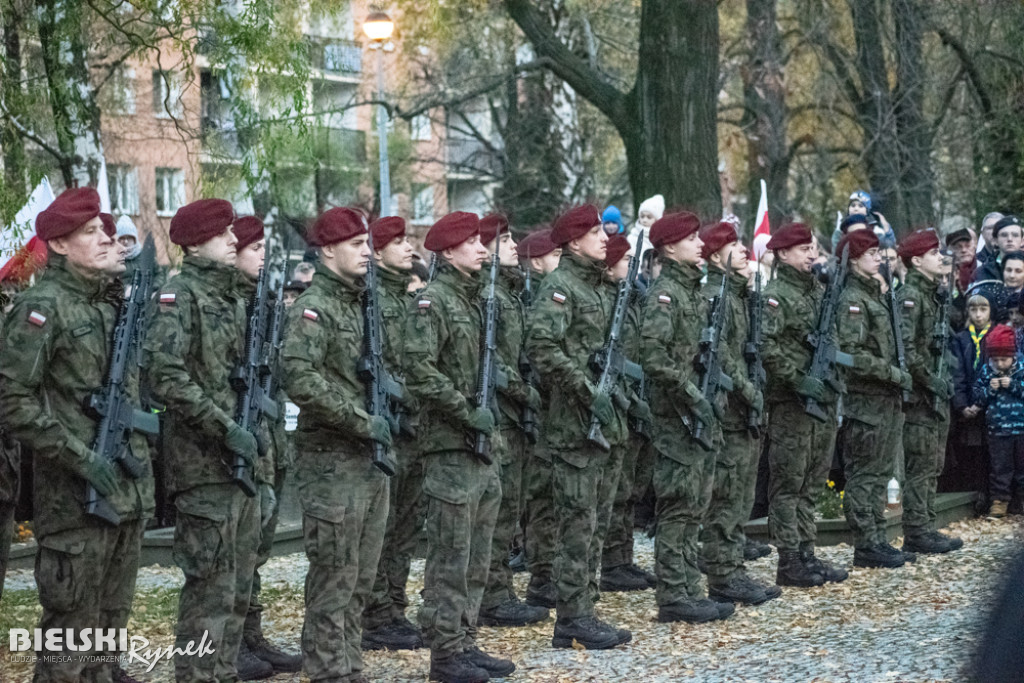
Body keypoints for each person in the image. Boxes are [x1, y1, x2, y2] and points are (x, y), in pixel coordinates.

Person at [0, 187, 155, 680]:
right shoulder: (41, 309)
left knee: (108, 639)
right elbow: (11, 402)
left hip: (122, 496)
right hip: (75, 503)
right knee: (68, 645)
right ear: (61, 246)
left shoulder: (109, 307)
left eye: (107, 229)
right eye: (92, 232)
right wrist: (81, 458)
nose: (108, 239)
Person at [145, 198, 271, 682]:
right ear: (197, 243)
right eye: (223, 236)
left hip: (242, 463)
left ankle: (223, 673)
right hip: (203, 468)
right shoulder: (180, 297)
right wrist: (227, 428)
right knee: (209, 592)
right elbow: (168, 378)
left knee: (238, 588)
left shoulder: (234, 298)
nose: (234, 241)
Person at [280, 207, 391, 682]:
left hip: (368, 461)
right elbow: (297, 375)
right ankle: (328, 669)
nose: (367, 252)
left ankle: (349, 664)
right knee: (334, 577)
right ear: (328, 250)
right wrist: (360, 420)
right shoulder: (317, 306)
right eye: (356, 244)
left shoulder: (360, 301)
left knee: (361, 579)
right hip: (331, 461)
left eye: (367, 244)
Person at [403, 212, 514, 682]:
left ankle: (465, 640)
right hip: (450, 447)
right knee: (450, 556)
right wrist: (467, 412)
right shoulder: (433, 303)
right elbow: (420, 371)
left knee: (476, 555)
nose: (483, 248)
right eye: (471, 242)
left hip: (481, 448)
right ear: (448, 252)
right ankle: (445, 652)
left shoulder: (475, 301)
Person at [526, 205, 635, 647]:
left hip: (603, 427)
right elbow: (542, 348)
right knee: (577, 527)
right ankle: (572, 617)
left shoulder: (599, 289)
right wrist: (586, 391)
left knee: (595, 525)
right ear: (573, 243)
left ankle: (584, 610)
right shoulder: (561, 287)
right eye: (594, 233)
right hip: (573, 429)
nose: (604, 238)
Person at [640, 212, 734, 624]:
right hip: (676, 415)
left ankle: (689, 587)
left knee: (695, 503)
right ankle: (674, 593)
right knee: (678, 507)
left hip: (697, 411)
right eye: (691, 239)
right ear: (670, 248)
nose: (701, 244)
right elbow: (654, 357)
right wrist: (693, 394)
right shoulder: (666, 295)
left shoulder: (692, 292)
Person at [230, 216, 303, 675]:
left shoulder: (259, 303)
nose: (261, 255)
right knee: (232, 557)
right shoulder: (220, 304)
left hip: (268, 445)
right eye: (251, 247)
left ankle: (250, 637)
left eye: (262, 247)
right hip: (234, 447)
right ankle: (229, 642)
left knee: (255, 551)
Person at [695, 221, 781, 604]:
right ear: (715, 257)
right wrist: (747, 390)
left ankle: (732, 569)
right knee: (727, 498)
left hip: (745, 407)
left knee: (740, 497)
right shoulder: (717, 296)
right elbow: (723, 357)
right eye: (733, 245)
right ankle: (724, 575)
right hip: (730, 409)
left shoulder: (738, 294)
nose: (744, 250)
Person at [762, 223, 848, 586]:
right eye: (803, 249)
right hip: (792, 404)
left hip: (823, 401)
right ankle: (789, 559)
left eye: (813, 248)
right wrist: (798, 378)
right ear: (783, 254)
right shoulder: (775, 296)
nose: (812, 254)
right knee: (789, 483)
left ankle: (807, 552)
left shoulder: (818, 291)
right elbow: (766, 346)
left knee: (813, 480)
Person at [361, 215, 429, 651]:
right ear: (379, 250)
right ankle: (376, 613)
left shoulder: (406, 298)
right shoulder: (370, 300)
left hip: (413, 427)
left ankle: (394, 609)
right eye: (398, 242)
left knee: (404, 527)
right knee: (383, 529)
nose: (409, 247)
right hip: (388, 425)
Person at [476, 214, 548, 628]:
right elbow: (497, 365)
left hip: (514, 418)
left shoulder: (509, 294)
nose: (512, 245)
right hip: (500, 417)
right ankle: (493, 595)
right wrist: (527, 394)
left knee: (510, 509)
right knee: (499, 514)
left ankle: (500, 590)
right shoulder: (493, 297)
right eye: (503, 240)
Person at [835, 229, 916, 569]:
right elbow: (849, 354)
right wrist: (891, 373)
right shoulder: (852, 300)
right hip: (867, 400)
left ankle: (877, 538)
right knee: (865, 475)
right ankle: (866, 543)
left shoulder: (875, 295)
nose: (878, 258)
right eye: (870, 253)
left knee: (881, 473)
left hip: (884, 400)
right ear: (854, 260)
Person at [895, 229, 964, 554]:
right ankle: (917, 530)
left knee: (932, 464)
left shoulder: (933, 294)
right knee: (921, 466)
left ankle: (926, 525)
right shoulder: (911, 295)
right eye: (934, 253)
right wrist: (928, 380)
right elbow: (907, 349)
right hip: (922, 396)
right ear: (917, 260)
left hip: (936, 392)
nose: (941, 258)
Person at [599, 235, 657, 593]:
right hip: (619, 403)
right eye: (626, 261)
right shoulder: (610, 301)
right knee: (617, 491)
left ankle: (623, 559)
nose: (631, 267)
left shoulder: (632, 300)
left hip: (637, 401)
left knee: (631, 489)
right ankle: (612, 562)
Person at [517, 228, 563, 609]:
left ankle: (547, 572)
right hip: (533, 411)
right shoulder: (532, 300)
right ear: (537, 261)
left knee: (549, 496)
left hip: (550, 411)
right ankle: (541, 574)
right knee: (540, 499)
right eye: (554, 255)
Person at [972, 324, 1024, 519]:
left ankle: (1020, 501)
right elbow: (977, 396)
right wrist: (990, 390)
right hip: (997, 430)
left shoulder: (1021, 369)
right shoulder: (986, 371)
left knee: (1022, 468)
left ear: (1013, 356)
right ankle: (999, 502)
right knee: (1000, 468)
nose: (1000, 363)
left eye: (1004, 359)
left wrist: (1014, 385)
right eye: (996, 359)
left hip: (1021, 427)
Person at [948, 294, 992, 497]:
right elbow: (957, 375)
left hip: (991, 407)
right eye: (973, 310)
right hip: (968, 408)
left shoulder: (996, 336)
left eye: (983, 310)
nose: (978, 315)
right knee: (972, 451)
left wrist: (982, 402)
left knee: (992, 453)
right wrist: (962, 405)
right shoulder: (961, 338)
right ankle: (974, 495)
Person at [975, 215, 1022, 284]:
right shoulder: (983, 272)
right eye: (1004, 235)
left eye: (1015, 235)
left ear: (1022, 240)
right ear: (995, 240)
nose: (1010, 239)